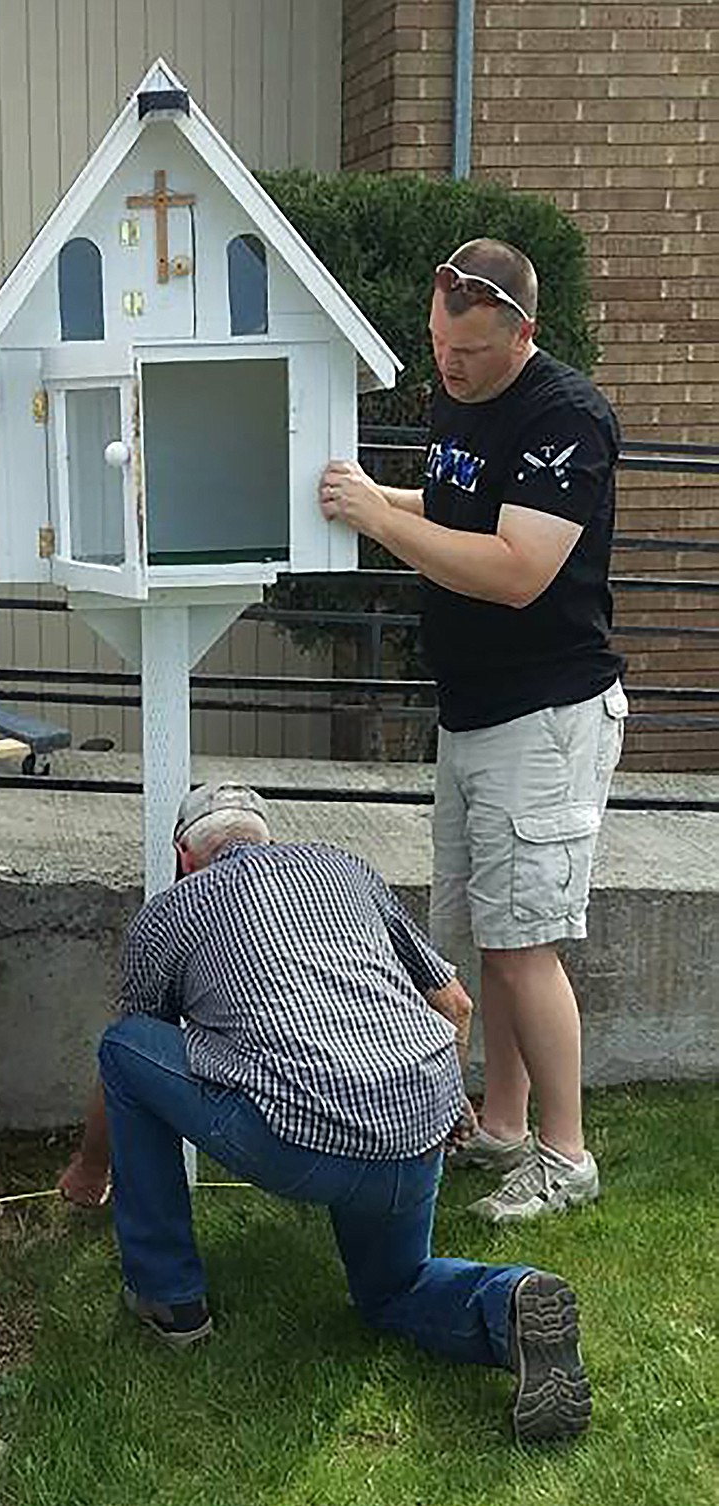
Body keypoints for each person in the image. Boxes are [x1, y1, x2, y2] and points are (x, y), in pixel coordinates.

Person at [59, 782, 591, 1446]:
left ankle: (168, 1299)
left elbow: (142, 1056)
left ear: (184, 857)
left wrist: (89, 1168)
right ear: (268, 840)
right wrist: (443, 1116)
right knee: (393, 1288)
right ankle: (509, 1303)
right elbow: (454, 1005)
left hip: (296, 1142)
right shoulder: (346, 868)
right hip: (418, 1127)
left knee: (124, 1046)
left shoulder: (170, 912)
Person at [319, 238, 626, 1224]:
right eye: (439, 349)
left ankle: (566, 1154)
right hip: (477, 714)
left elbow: (514, 565)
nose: (447, 371)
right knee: (494, 934)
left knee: (529, 940)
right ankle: (500, 1125)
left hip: (545, 719)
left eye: (470, 357)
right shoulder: (464, 394)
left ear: (523, 334)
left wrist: (380, 517)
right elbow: (452, 510)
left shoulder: (566, 418)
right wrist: (367, 505)